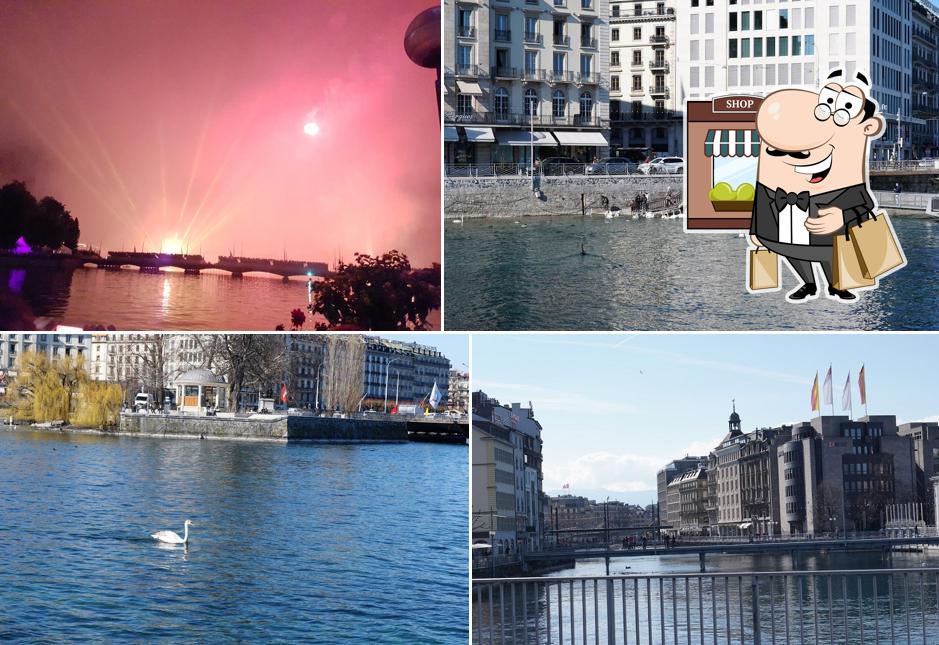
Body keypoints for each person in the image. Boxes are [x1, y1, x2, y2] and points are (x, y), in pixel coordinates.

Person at [749, 69, 890, 302]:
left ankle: (836, 285)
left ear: (868, 127)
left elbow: (863, 203)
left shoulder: (847, 186)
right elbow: (763, 201)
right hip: (786, 233)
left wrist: (842, 217)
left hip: (828, 238)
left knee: (829, 254)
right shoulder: (771, 185)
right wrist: (756, 230)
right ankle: (808, 283)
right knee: (794, 253)